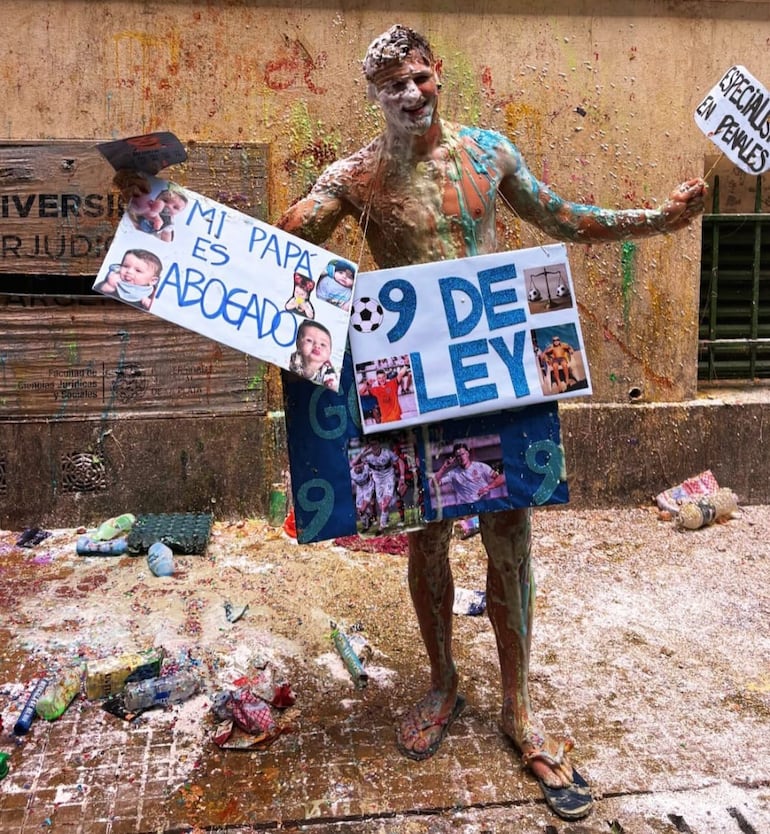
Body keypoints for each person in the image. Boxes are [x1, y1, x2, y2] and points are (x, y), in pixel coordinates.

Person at [275, 24, 705, 821]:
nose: (409, 94)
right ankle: (442, 683)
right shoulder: (358, 177)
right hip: (408, 381)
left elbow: (562, 218)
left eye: (417, 78)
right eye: (391, 86)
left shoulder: (488, 155)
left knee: (511, 534)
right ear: (374, 97)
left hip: (499, 371)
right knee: (426, 534)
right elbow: (288, 241)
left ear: (438, 73)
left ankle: (517, 707)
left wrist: (660, 219)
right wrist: (162, 220)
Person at [350, 438, 407, 534]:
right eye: (371, 445)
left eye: (375, 444)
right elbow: (354, 463)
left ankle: (381, 527)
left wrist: (402, 477)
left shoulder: (387, 453)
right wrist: (362, 452)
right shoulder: (367, 456)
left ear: (379, 444)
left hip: (389, 478)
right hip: (378, 481)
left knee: (384, 505)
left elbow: (400, 461)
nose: (374, 447)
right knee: (381, 506)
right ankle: (376, 519)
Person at [433, 442, 507, 506]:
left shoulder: (480, 466)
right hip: (468, 506)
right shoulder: (453, 474)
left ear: (467, 453)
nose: (461, 457)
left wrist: (488, 487)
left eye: (462, 454)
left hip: (485, 501)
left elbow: (501, 478)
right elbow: (434, 484)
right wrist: (444, 467)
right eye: (458, 456)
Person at [95, 248, 163, 310]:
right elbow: (97, 293)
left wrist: (152, 307)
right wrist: (108, 286)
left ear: (152, 280)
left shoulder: (153, 294)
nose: (129, 271)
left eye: (138, 270)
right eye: (125, 266)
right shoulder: (115, 282)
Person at [288, 320, 338, 388]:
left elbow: (333, 387)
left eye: (323, 344)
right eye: (309, 340)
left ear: (329, 353)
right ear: (298, 343)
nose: (317, 346)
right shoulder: (295, 358)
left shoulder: (328, 372)